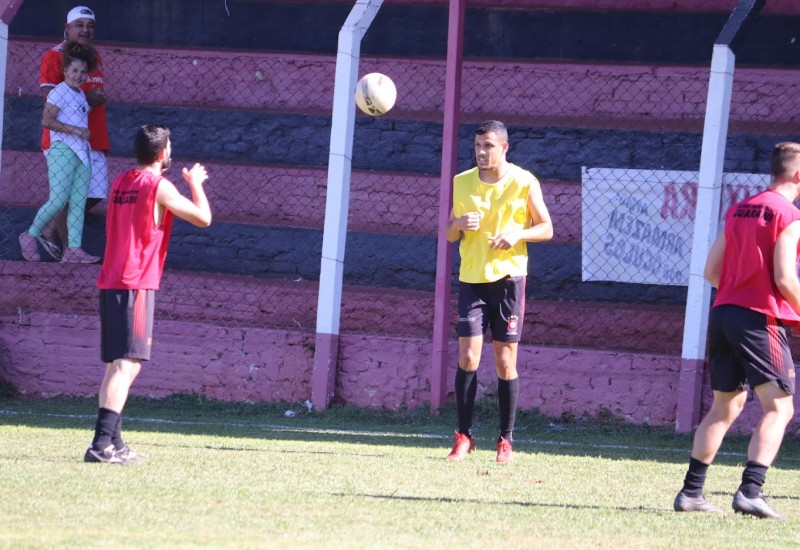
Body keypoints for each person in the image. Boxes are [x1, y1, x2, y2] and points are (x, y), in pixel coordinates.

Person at [673, 142, 800, 519]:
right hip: (759, 318)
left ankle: (691, 493)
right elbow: (784, 278)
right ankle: (750, 490)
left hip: (724, 312)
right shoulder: (789, 216)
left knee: (726, 405)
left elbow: (711, 271)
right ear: (797, 175)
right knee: (780, 407)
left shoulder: (739, 209)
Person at [84, 124, 212, 464]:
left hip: (111, 279)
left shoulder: (121, 180)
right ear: (161, 154)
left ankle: (115, 443)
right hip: (135, 283)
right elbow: (203, 218)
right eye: (168, 146)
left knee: (117, 365)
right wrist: (196, 185)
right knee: (128, 365)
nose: (171, 151)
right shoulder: (159, 186)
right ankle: (100, 446)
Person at [444, 120, 553, 463]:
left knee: (505, 361)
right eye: (477, 146)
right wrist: (459, 225)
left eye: (488, 146)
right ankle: (464, 436)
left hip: (508, 280)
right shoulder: (461, 182)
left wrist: (517, 235)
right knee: (468, 357)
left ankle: (505, 440)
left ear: (504, 147)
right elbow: (448, 233)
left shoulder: (523, 181)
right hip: (472, 278)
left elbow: (547, 228)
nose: (481, 152)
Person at [38, 5, 108, 260]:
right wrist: (87, 97)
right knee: (65, 195)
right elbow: (51, 99)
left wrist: (93, 100)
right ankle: (71, 251)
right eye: (79, 24)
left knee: (97, 192)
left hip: (93, 137)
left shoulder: (95, 57)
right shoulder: (54, 56)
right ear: (67, 28)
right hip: (64, 140)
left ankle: (48, 228)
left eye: (90, 25)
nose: (85, 29)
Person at [18, 42, 99, 264]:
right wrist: (76, 131)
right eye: (74, 70)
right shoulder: (58, 92)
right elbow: (47, 120)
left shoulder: (81, 95)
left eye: (83, 72)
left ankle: (73, 249)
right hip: (62, 150)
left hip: (82, 153)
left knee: (78, 202)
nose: (79, 75)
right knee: (58, 199)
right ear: (65, 71)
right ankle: (29, 235)